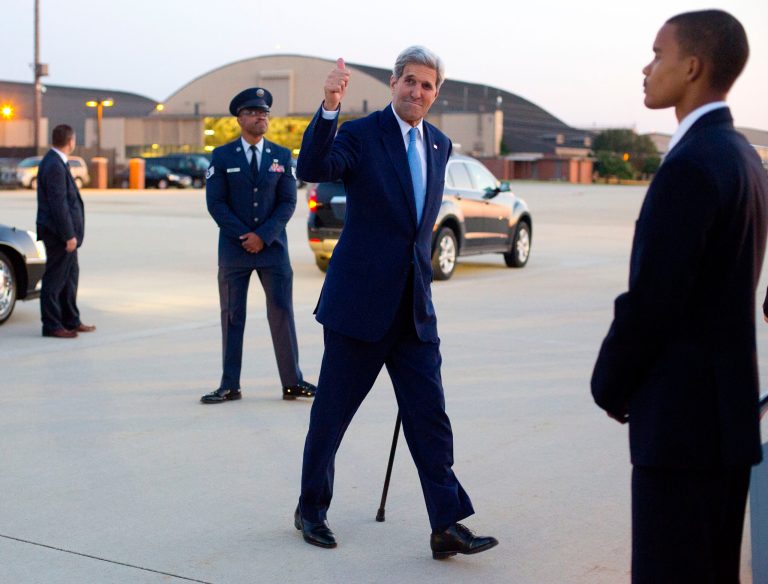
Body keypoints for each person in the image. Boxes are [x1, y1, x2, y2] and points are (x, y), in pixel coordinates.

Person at [294, 47, 497, 559]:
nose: (417, 92)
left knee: (430, 418)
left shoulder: (440, 145)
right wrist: (329, 105)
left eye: (427, 86)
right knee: (332, 416)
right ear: (393, 82)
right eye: (410, 81)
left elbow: (417, 228)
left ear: (436, 93)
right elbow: (314, 164)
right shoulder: (362, 135)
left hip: (413, 311)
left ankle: (446, 524)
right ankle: (311, 509)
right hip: (359, 307)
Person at [591, 10, 768, 582]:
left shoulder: (691, 166)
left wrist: (611, 383)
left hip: (682, 431)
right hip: (725, 423)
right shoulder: (744, 157)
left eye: (657, 54)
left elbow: (654, 300)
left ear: (691, 67)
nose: (647, 68)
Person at [202, 87, 316, 404]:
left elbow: (288, 201)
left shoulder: (281, 156)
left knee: (282, 314)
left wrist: (263, 236)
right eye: (253, 112)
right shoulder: (222, 157)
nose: (260, 117)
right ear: (240, 118)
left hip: (273, 251)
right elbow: (216, 203)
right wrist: (245, 237)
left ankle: (292, 381)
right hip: (235, 251)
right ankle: (230, 384)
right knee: (232, 316)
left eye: (264, 112)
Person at [36, 124, 95, 339]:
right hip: (58, 234)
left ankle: (71, 319)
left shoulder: (57, 161)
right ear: (70, 141)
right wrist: (68, 234)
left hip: (65, 234)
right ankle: (51, 325)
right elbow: (58, 204)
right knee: (55, 279)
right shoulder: (53, 164)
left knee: (70, 277)